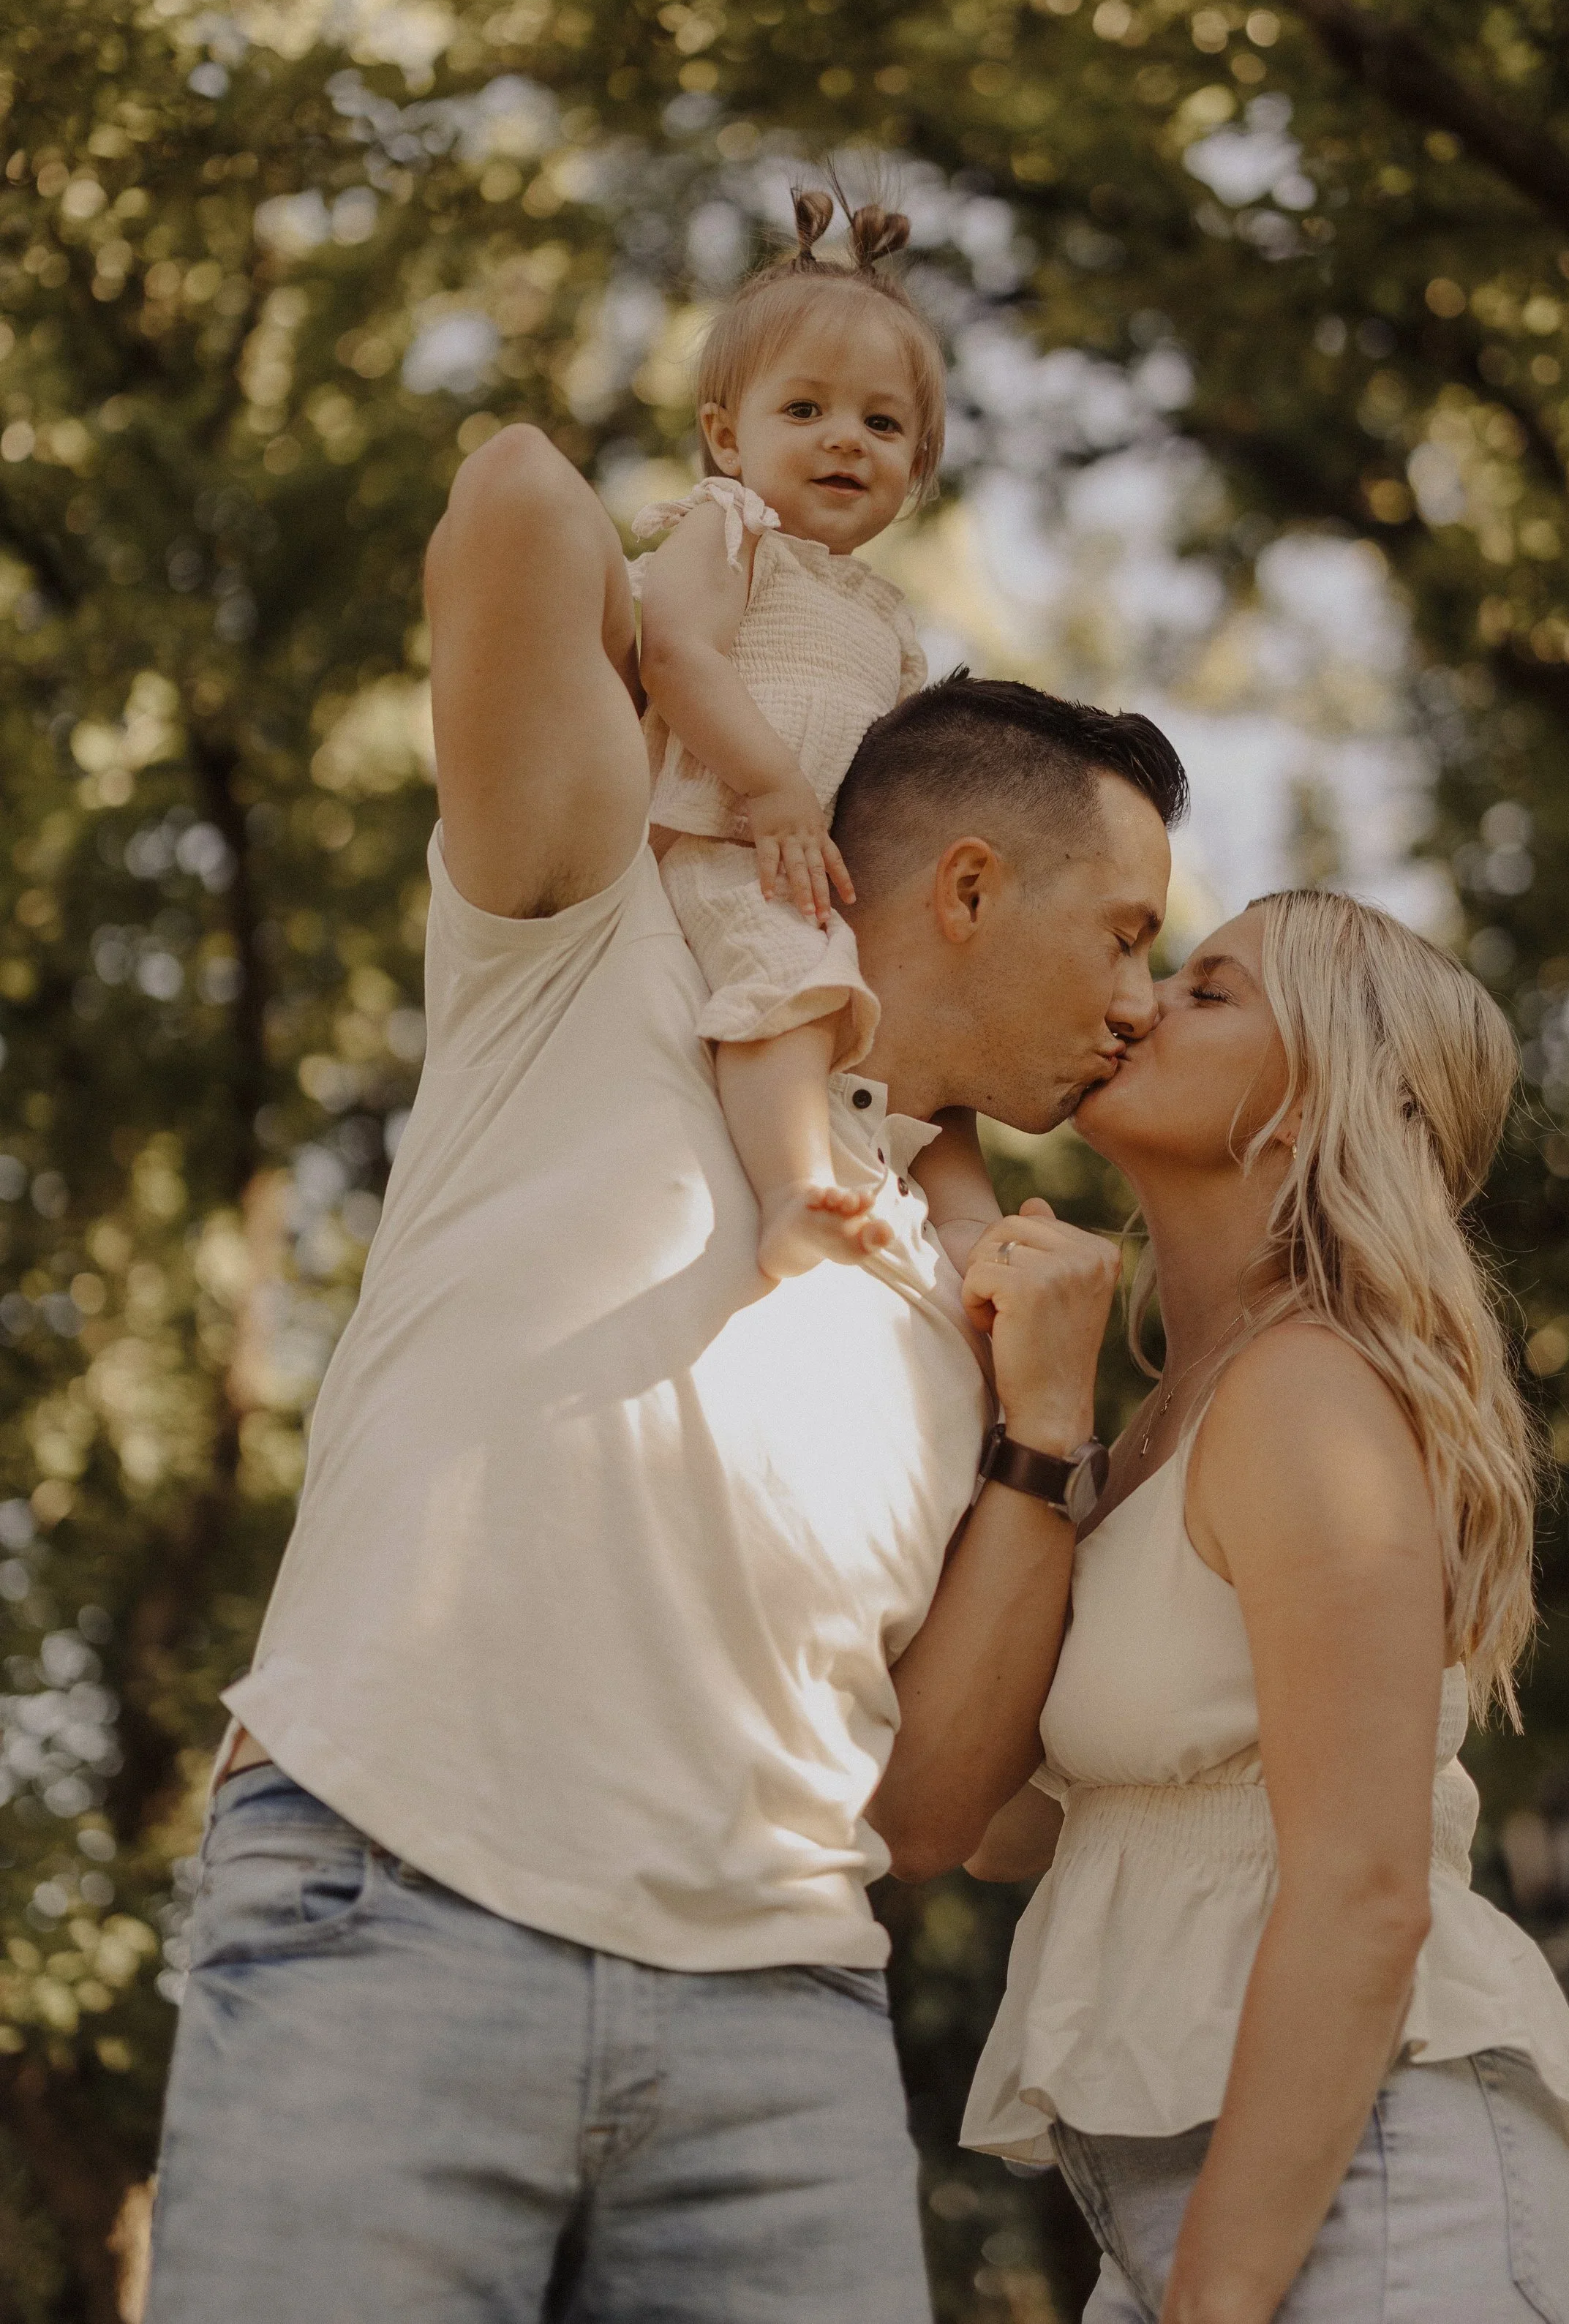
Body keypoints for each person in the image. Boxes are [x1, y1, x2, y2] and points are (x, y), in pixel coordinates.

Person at [140, 407, 1185, 2324]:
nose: (1140, 1002)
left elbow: (929, 1818)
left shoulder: (983, 1292)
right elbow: (514, 496)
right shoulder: (599, 921)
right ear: (965, 887)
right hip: (391, 1889)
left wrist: (1044, 1431)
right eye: (1123, 933)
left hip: (771, 2026)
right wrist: (727, 645)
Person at [955, 892, 1569, 2324]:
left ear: (1332, 1087)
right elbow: (994, 1826)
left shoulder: (1308, 1394)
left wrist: (1211, 2298)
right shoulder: (1140, 1440)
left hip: (1375, 2183)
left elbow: (1362, 1896)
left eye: (1207, 993)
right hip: (1176, 2198)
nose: (1136, 1005)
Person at [633, 181, 999, 1279]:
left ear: (917, 466)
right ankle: (795, 1190)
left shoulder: (884, 620)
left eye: (882, 424)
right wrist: (775, 785)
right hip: (719, 834)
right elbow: (676, 654)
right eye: (806, 412)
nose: (846, 441)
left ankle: (947, 1224)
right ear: (726, 439)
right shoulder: (727, 525)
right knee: (788, 980)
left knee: (875, 1009)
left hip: (802, 868)